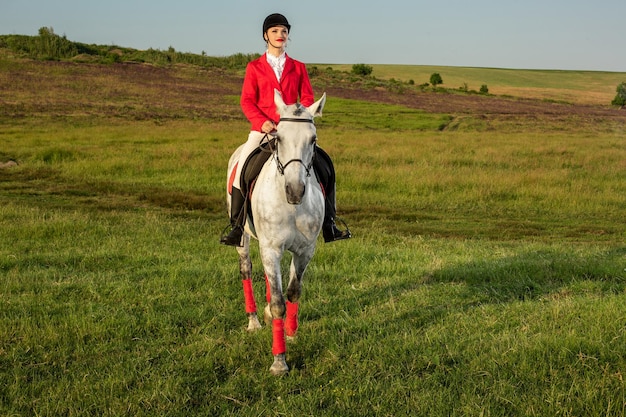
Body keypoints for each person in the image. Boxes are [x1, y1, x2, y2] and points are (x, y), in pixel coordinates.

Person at [220, 13, 351, 247]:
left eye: (284, 31)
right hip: (263, 131)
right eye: (275, 31)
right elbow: (247, 101)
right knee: (242, 169)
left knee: (325, 165)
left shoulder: (298, 67)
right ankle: (237, 226)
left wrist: (302, 113)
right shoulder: (254, 67)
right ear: (265, 36)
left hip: (292, 132)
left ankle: (330, 223)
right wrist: (262, 122)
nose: (280, 35)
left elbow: (308, 96)